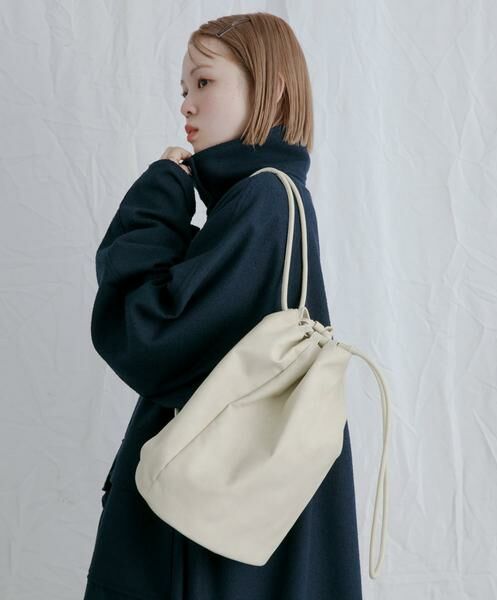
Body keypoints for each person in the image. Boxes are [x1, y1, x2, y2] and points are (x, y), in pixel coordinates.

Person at [83, 11, 364, 600]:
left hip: (207, 543)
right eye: (184, 88)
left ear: (271, 90)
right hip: (246, 530)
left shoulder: (263, 199)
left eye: (205, 82)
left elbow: (147, 333)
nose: (186, 104)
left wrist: (161, 190)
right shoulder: (264, 201)